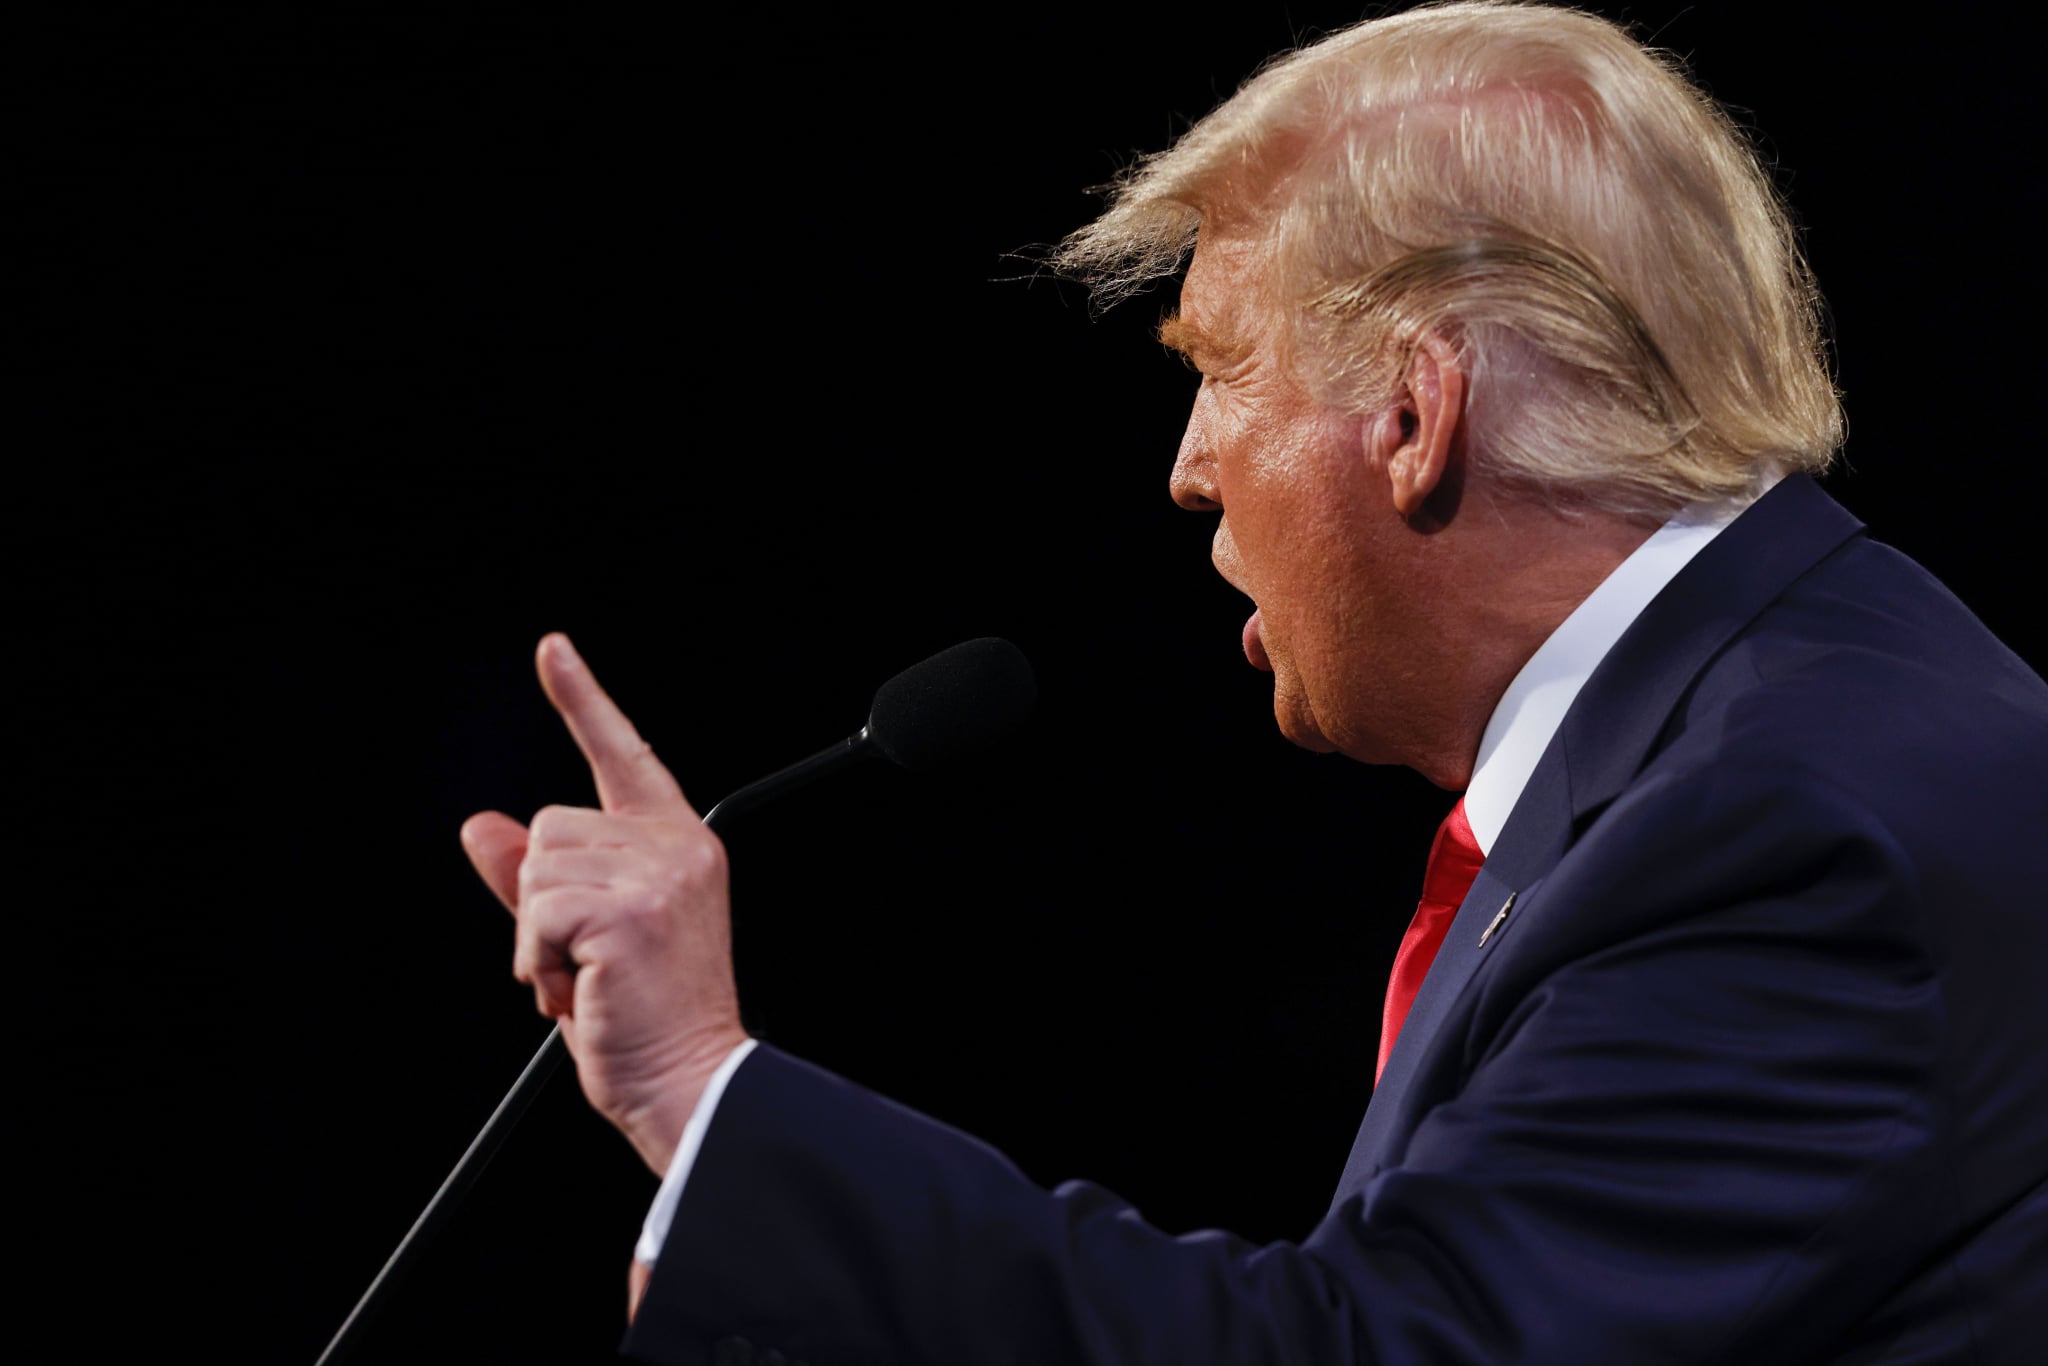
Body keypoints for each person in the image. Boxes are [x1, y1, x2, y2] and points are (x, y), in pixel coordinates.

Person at [459, 3, 2048, 1360]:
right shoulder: (1786, 706)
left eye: (1218, 366)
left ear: (1417, 415)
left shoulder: (1786, 828)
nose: (1188, 470)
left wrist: (697, 1084)